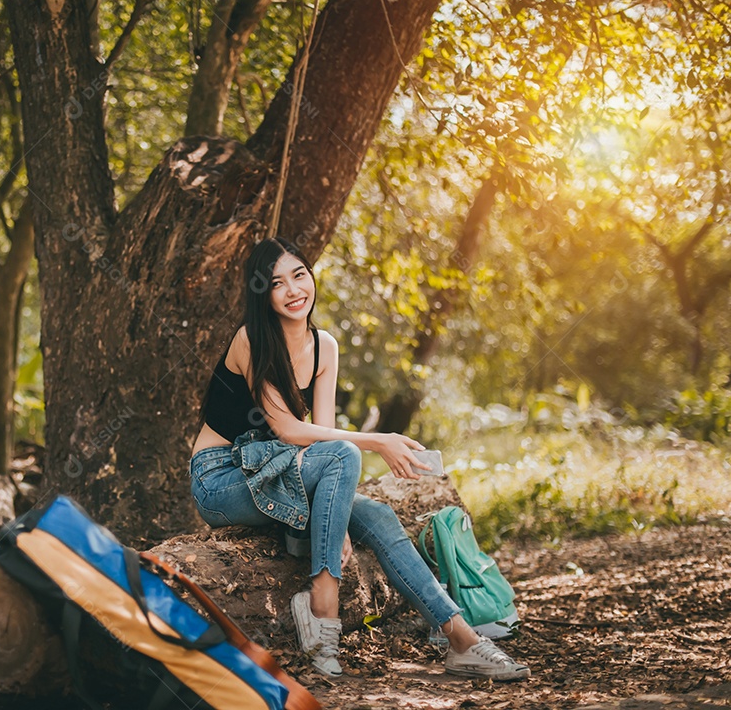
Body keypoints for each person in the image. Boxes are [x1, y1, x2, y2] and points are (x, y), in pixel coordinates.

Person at [189, 237, 529, 681]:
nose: (293, 290)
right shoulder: (250, 340)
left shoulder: (324, 346)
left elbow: (319, 443)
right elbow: (289, 430)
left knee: (381, 516)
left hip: (281, 472)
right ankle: (323, 606)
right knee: (347, 452)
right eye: (277, 283)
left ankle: (461, 638)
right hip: (222, 480)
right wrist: (379, 440)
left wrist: (335, 513)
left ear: (311, 276)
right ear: (263, 294)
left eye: (299, 275)